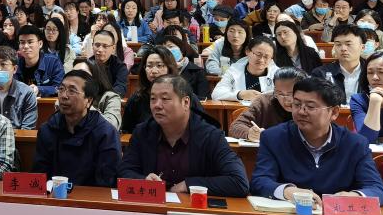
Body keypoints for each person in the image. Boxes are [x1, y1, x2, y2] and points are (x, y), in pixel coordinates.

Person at [250, 75, 383, 205]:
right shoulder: (273, 138)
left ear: (334, 112)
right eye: (296, 104)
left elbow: (377, 189)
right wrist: (287, 191)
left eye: (310, 107)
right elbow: (259, 181)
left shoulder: (355, 144)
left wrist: (355, 196)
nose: (301, 112)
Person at [119, 76, 249, 197]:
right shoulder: (143, 132)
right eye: (153, 99)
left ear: (186, 102)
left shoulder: (210, 136)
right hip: (154, 207)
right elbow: (124, 171)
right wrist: (143, 180)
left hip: (194, 210)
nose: (157, 105)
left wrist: (188, 185)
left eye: (165, 99)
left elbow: (239, 182)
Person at [32, 70, 120, 186]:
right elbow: (40, 175)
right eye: (61, 89)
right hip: (54, 195)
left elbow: (107, 181)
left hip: (91, 196)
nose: (64, 96)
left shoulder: (106, 133)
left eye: (72, 91)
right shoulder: (47, 129)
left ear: (88, 101)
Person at [229, 67, 304, 141]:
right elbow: (236, 126)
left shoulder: (309, 104)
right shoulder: (264, 101)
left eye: (290, 94)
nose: (286, 99)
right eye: (280, 93)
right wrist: (249, 133)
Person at [0, 45, 38, 129]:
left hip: (18, 137)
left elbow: (28, 129)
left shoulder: (27, 93)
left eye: (3, 64)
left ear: (15, 69)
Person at [311, 25, 368, 103]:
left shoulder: (371, 72)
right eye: (338, 44)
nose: (343, 49)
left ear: (362, 47)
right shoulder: (321, 73)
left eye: (348, 44)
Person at [212, 36, 278, 101]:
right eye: (258, 54)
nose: (261, 60)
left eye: (266, 57)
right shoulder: (234, 70)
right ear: (247, 51)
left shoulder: (277, 73)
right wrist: (240, 95)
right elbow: (216, 94)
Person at [349, 51, 383, 143]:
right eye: (370, 72)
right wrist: (375, 101)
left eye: (381, 72)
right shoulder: (358, 100)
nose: (374, 77)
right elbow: (366, 138)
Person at [72, 57, 122, 131]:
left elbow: (111, 127)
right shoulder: (67, 97)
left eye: (82, 74)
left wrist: (84, 103)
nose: (75, 78)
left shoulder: (110, 97)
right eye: (72, 74)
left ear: (95, 77)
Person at [16, 25, 65, 96]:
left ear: (40, 44)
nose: (26, 46)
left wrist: (39, 89)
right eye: (22, 43)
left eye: (30, 42)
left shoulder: (53, 62)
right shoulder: (15, 64)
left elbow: (60, 88)